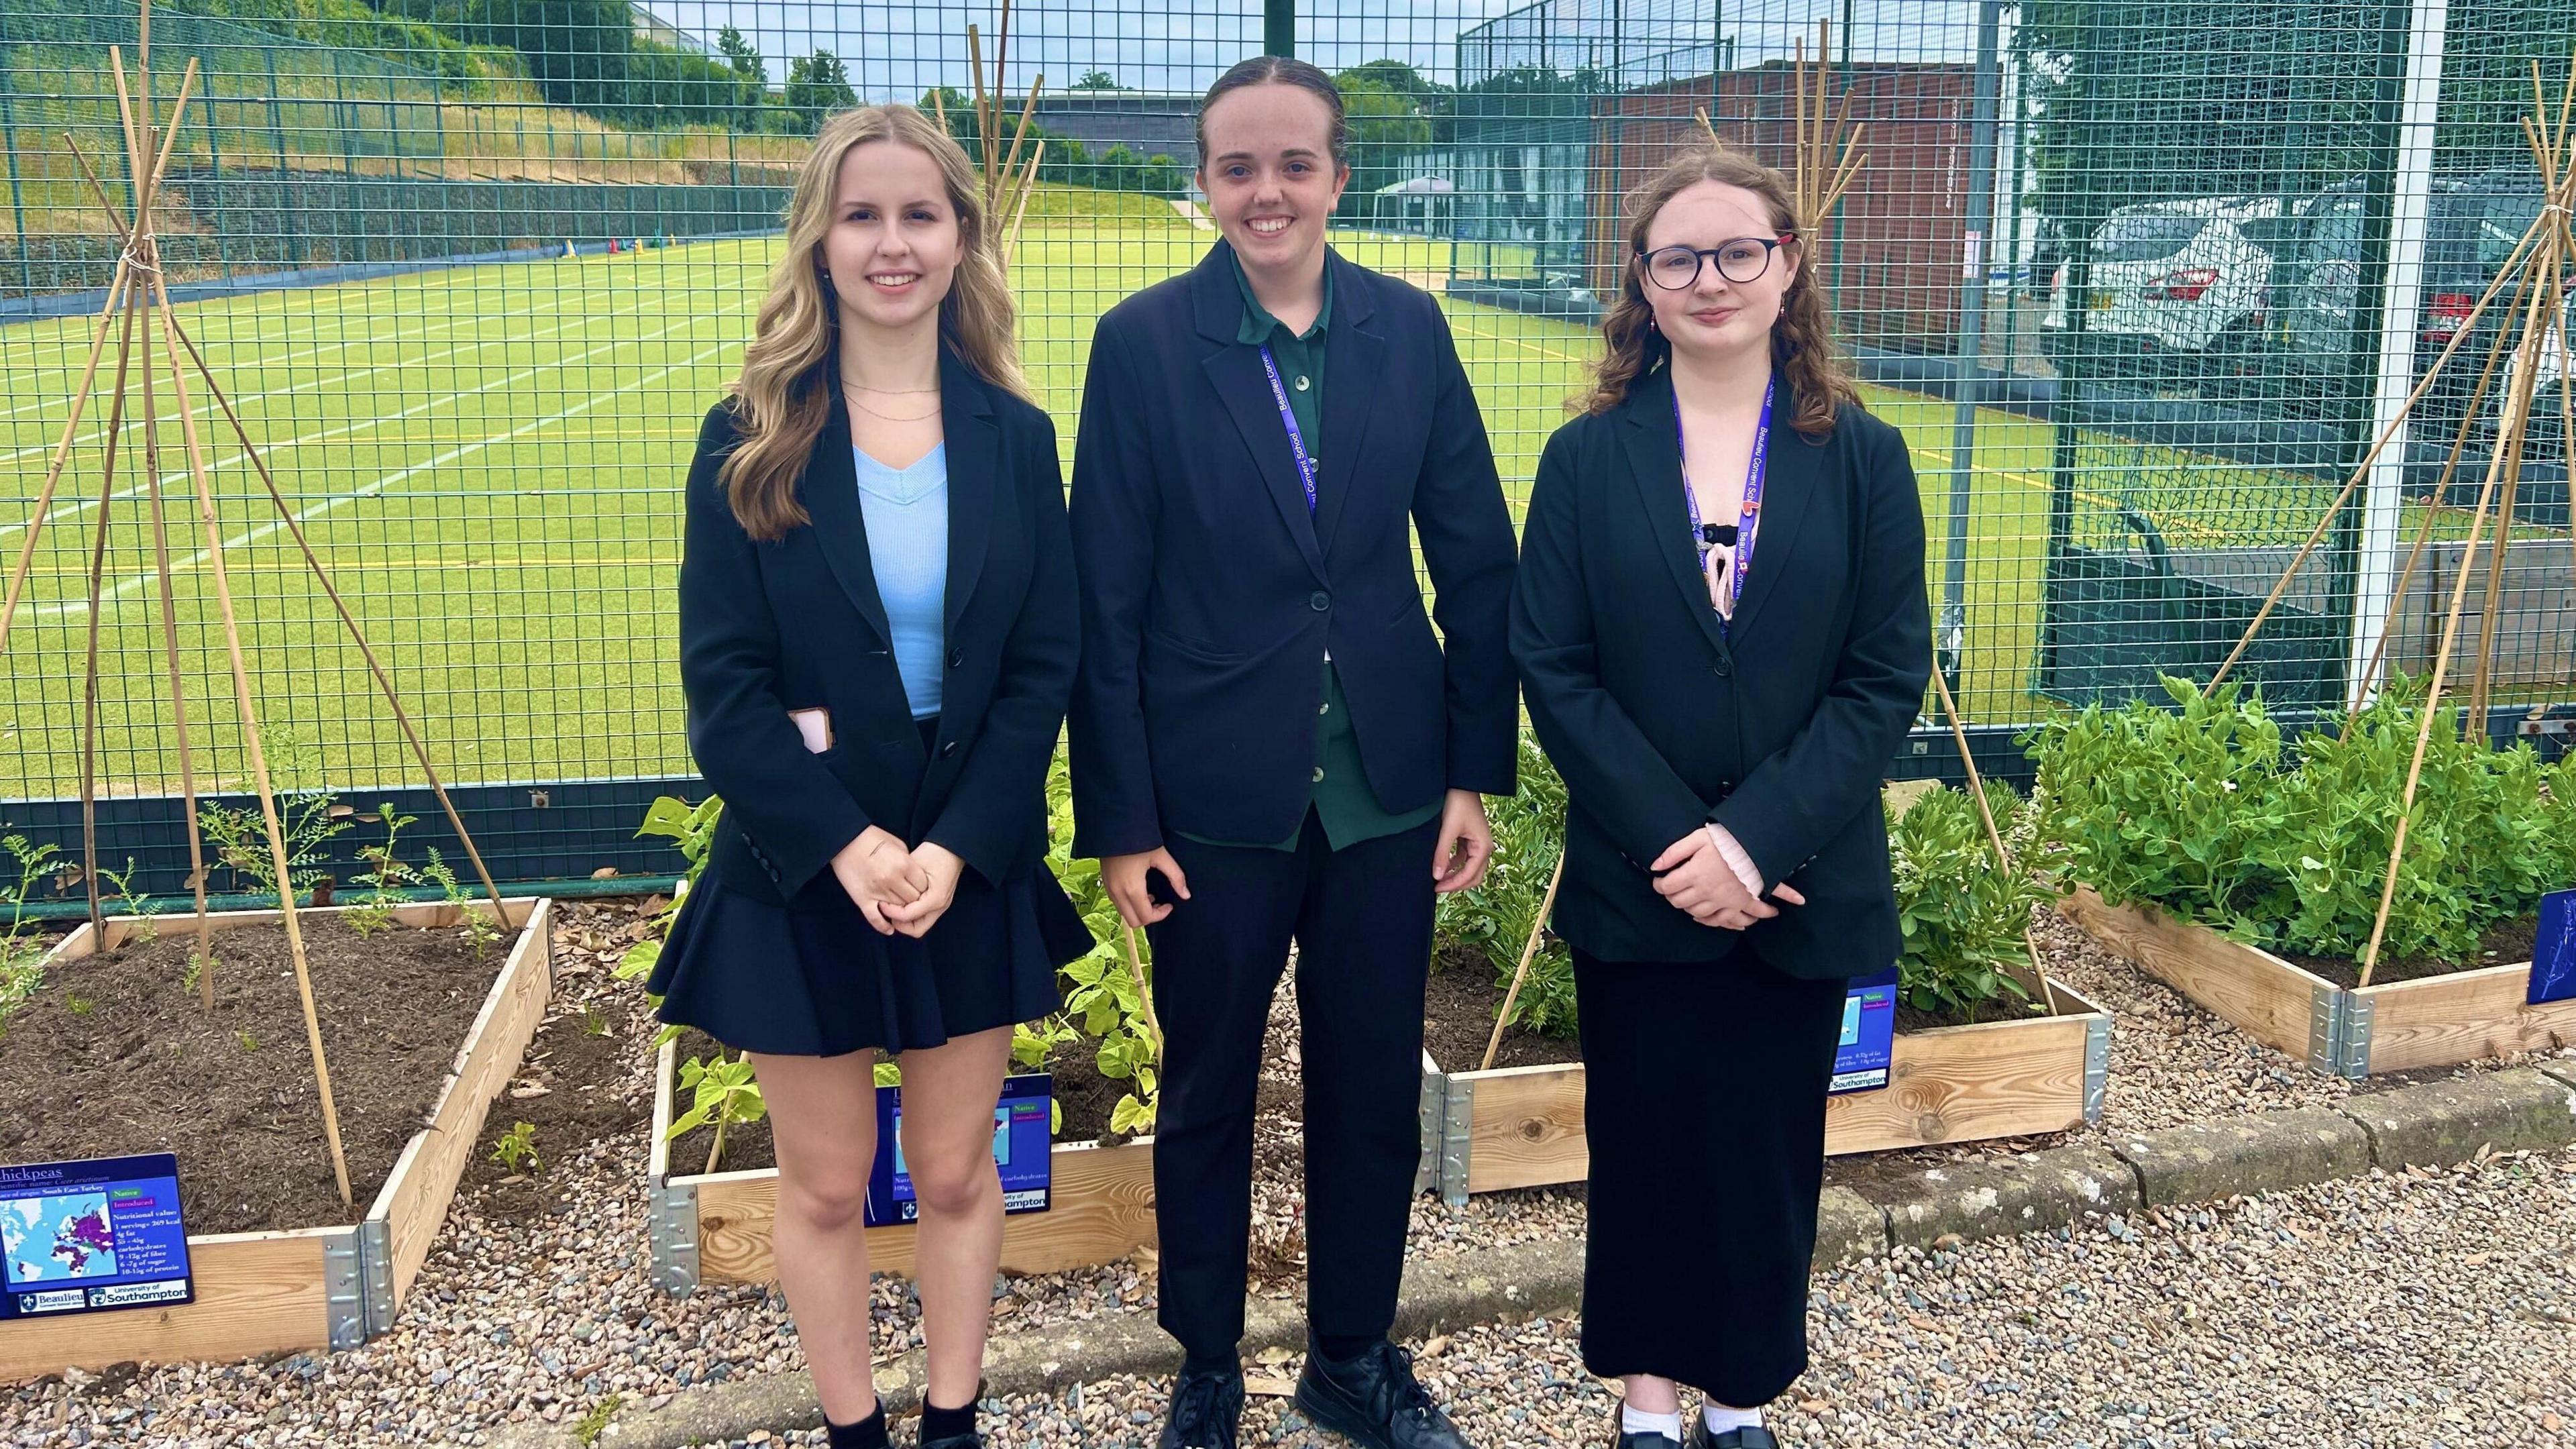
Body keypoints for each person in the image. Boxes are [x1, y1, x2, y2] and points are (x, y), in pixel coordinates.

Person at [1065, 54, 1519, 1449]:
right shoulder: (1143, 346)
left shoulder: (1408, 331)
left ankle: (1351, 1356)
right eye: (1239, 167)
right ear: (1203, 184)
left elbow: (1476, 563)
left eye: (1295, 164)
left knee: (1371, 1088)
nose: (1268, 192)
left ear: (1338, 176)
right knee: (1207, 1091)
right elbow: (1107, 603)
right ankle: (1206, 1359)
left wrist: (1469, 771)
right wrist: (1124, 818)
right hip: (1212, 798)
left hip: (1385, 785)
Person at [648, 103, 1090, 1449]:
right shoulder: (748, 435)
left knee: (956, 1173)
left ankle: (952, 1418)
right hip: (804, 871)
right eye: (862, 215)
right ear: (820, 242)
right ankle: (855, 1428)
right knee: (830, 1186)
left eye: (919, 214)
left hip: (968, 859)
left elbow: (1038, 670)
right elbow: (725, 695)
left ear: (961, 239)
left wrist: (953, 847)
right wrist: (847, 844)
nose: (890, 243)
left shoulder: (1016, 439)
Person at [1508, 144, 1933, 1449]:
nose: (1710, 278)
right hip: (1644, 883)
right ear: (1641, 283)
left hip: (1800, 879)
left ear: (1787, 265)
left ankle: (1741, 1395)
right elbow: (1555, 667)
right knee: (1642, 1143)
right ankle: (1644, 1402)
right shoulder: (1588, 462)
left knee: (1764, 1154)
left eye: (1737, 251)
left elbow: (1883, 677)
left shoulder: (1863, 458)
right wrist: (1681, 843)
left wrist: (1752, 844)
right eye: (1678, 256)